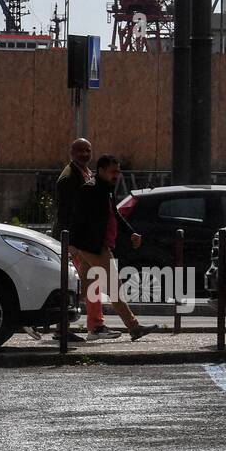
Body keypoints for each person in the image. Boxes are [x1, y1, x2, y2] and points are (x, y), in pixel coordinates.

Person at [72, 154, 159, 342]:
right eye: (113, 171)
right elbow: (77, 218)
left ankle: (61, 322)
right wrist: (73, 244)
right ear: (101, 170)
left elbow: (115, 215)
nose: (117, 175)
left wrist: (131, 233)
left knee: (84, 289)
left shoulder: (106, 189)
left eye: (118, 171)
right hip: (93, 247)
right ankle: (134, 327)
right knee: (115, 288)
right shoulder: (90, 189)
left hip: (96, 246)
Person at [53, 138, 94, 342]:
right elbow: (65, 213)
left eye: (88, 150)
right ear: (72, 153)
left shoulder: (84, 173)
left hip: (78, 238)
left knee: (76, 283)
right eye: (80, 151)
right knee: (70, 283)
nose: (85, 154)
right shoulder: (69, 178)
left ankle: (64, 326)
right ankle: (62, 329)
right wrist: (69, 242)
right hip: (71, 239)